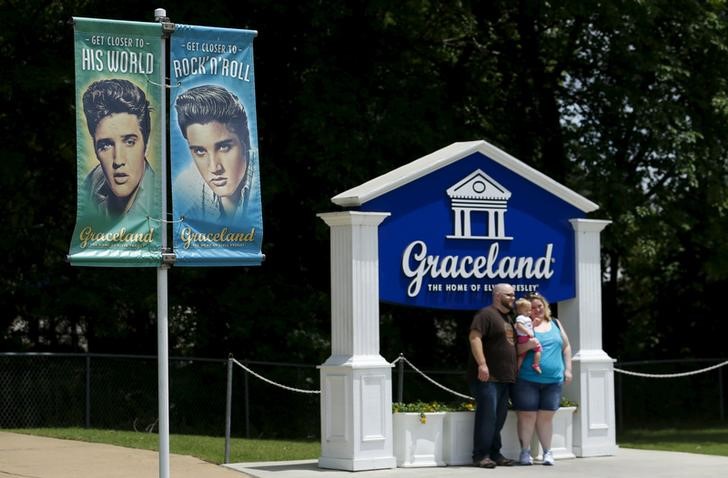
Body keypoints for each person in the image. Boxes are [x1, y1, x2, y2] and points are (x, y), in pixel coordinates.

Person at [174, 84, 253, 223]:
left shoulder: (261, 184)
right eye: (200, 151)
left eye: (224, 147)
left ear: (245, 142)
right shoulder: (185, 190)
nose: (214, 168)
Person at [512, 293, 573, 466]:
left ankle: (548, 452)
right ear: (526, 310)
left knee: (546, 417)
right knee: (527, 416)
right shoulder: (523, 325)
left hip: (554, 380)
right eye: (532, 307)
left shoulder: (555, 323)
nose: (537, 309)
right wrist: (527, 345)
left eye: (540, 306)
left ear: (545, 306)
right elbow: (514, 350)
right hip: (527, 379)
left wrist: (568, 369)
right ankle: (525, 452)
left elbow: (566, 347)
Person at [81, 79, 156, 218]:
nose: (118, 160)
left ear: (146, 144)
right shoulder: (91, 183)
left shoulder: (159, 197)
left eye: (129, 142)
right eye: (105, 145)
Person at [466, 283, 518, 468]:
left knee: (499, 418)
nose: (513, 297)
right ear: (497, 295)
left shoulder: (508, 318)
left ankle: (495, 453)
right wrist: (482, 364)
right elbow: (474, 337)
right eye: (510, 295)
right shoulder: (485, 314)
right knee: (487, 417)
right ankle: (480, 455)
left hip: (505, 378)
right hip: (488, 378)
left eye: (513, 294)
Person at [514, 298, 542, 374]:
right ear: (520, 311)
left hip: (527, 337)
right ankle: (536, 364)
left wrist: (533, 323)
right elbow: (519, 326)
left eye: (530, 310)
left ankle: (517, 369)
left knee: (522, 355)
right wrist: (527, 332)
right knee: (538, 348)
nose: (529, 312)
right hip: (524, 337)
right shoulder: (520, 318)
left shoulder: (527, 318)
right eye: (527, 310)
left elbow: (529, 327)